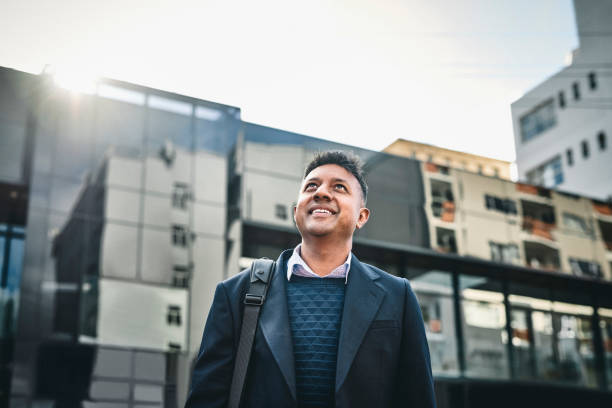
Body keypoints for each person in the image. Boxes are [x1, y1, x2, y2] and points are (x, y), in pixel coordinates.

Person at [186, 151, 436, 408]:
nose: (322, 193)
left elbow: (417, 397)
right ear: (296, 211)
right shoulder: (236, 293)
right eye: (311, 186)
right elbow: (207, 398)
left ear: (361, 217)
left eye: (339, 187)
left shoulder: (397, 296)